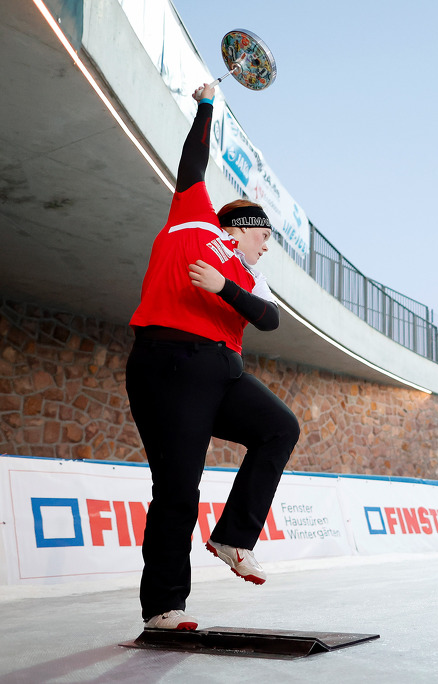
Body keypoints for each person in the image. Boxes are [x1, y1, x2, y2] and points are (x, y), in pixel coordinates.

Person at [126, 83, 301, 631]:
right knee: (177, 488)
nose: (266, 245)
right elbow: (192, 161)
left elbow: (268, 319)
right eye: (264, 235)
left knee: (280, 427)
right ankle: (163, 606)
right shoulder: (194, 219)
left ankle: (233, 537)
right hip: (169, 362)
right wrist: (207, 106)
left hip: (223, 371)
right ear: (241, 227)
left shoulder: (251, 278)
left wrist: (226, 287)